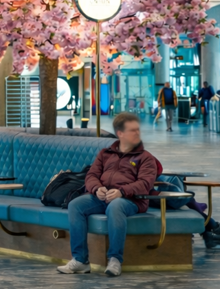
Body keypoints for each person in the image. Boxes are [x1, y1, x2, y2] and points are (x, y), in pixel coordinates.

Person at [58, 112, 157, 277]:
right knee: (75, 205)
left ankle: (115, 259)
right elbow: (91, 175)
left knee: (115, 206)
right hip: (102, 196)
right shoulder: (105, 153)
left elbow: (145, 184)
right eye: (133, 130)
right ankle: (80, 260)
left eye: (138, 129)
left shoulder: (145, 158)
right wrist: (97, 189)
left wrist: (121, 192)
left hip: (130, 200)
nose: (137, 133)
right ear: (120, 134)